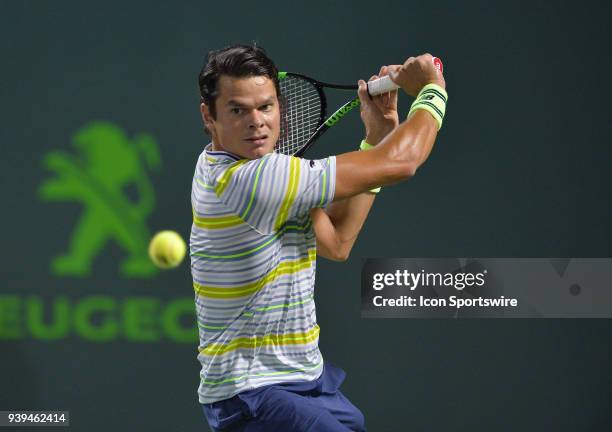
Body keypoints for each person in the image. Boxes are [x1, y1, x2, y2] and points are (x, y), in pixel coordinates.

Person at [191, 44, 447, 431]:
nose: (256, 122)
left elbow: (337, 242)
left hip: (305, 379)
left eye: (266, 107)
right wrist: (432, 89)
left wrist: (375, 139)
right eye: (237, 110)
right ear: (208, 116)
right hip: (254, 393)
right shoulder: (252, 180)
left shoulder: (265, 172)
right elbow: (402, 162)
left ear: (281, 107)